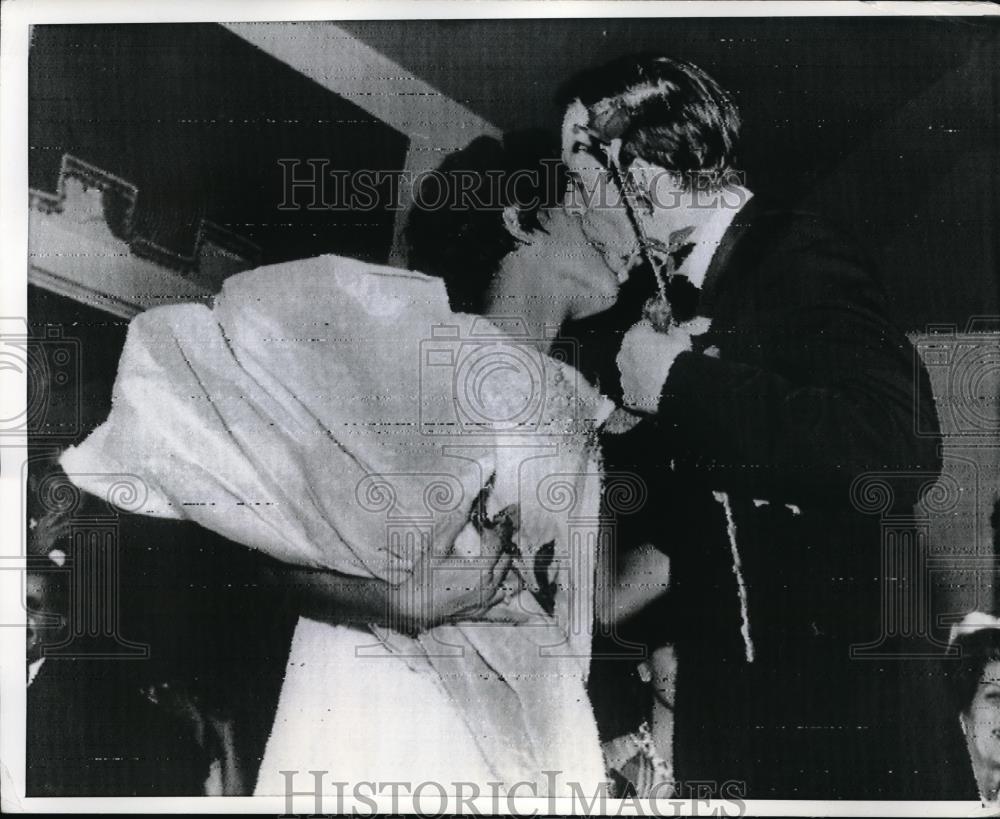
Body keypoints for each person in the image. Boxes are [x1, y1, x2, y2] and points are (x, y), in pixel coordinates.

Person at [59, 130, 623, 796]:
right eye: (590, 193)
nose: (618, 222)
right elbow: (283, 558)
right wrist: (398, 602)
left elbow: (601, 603)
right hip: (398, 694)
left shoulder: (584, 406)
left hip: (533, 714)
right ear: (522, 217)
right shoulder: (433, 350)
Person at [555, 54, 942, 798]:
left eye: (579, 177)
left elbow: (898, 445)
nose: (574, 206)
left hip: (848, 749)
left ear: (644, 172)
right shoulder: (683, 294)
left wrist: (679, 384)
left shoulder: (792, 248)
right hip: (739, 738)